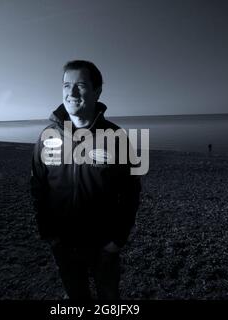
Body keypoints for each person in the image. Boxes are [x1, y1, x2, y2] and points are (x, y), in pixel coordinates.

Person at [30, 60, 141, 300]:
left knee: (109, 297)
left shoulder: (116, 137)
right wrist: (49, 233)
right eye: (66, 85)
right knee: (77, 298)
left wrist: (117, 240)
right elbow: (38, 186)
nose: (71, 93)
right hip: (64, 244)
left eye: (80, 85)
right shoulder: (47, 136)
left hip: (104, 245)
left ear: (97, 91)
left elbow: (132, 191)